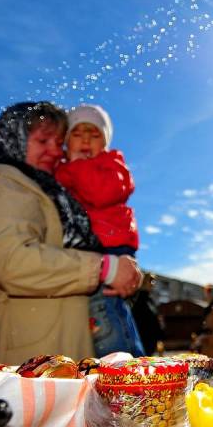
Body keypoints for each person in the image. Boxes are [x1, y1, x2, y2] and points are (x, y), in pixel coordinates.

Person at [0, 102, 142, 364]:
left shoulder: (46, 190)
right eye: (43, 141)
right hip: (17, 355)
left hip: (48, 349)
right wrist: (106, 268)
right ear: (14, 136)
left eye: (59, 142)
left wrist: (122, 274)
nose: (55, 151)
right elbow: (13, 262)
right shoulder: (2, 180)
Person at [55, 104, 144, 357]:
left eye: (94, 135)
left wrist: (77, 165)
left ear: (104, 142)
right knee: (93, 317)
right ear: (65, 141)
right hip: (88, 248)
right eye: (77, 133)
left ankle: (125, 369)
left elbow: (100, 194)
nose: (85, 140)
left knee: (105, 313)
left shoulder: (111, 165)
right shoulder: (62, 170)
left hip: (110, 246)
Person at [131, 273, 165, 355]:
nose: (153, 284)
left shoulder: (150, 300)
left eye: (153, 281)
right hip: (143, 342)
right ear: (143, 281)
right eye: (150, 280)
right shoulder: (138, 299)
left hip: (151, 341)